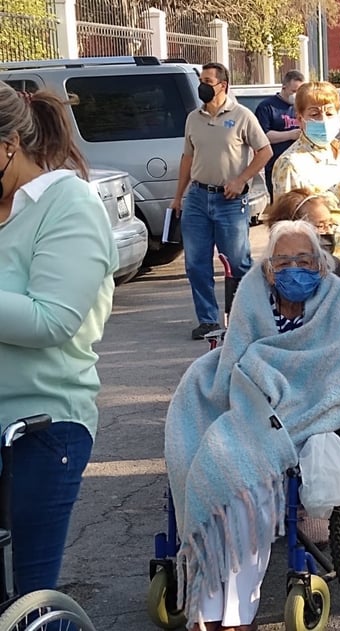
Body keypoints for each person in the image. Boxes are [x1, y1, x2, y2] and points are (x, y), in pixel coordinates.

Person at [166, 220, 340, 631]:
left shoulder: (334, 296)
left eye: (305, 259)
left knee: (249, 481)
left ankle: (237, 615)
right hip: (246, 401)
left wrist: (293, 398)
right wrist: (251, 384)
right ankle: (207, 609)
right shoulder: (251, 293)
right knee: (207, 459)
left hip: (300, 410)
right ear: (268, 269)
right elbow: (236, 356)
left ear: (320, 265)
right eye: (284, 261)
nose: (294, 268)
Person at [0, 84, 118, 594]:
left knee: (30, 600)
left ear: (9, 143)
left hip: (41, 424)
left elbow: (53, 320)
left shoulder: (67, 203)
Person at [171, 62, 272, 340]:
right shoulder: (194, 118)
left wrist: (241, 180)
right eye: (200, 79)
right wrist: (178, 196)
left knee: (238, 262)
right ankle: (207, 320)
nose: (202, 85)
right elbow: (187, 158)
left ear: (222, 85)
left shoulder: (241, 116)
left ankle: (247, 316)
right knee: (196, 263)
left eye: (207, 80)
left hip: (230, 201)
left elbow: (264, 152)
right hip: (197, 199)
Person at [271, 81, 340, 264]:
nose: (323, 120)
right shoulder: (291, 163)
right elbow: (286, 226)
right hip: (321, 263)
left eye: (329, 113)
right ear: (299, 119)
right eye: (314, 114)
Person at [254, 69, 304, 201]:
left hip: (299, 165)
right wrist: (290, 135)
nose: (297, 95)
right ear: (284, 87)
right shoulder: (267, 107)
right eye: (294, 91)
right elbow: (263, 136)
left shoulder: (301, 107)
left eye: (300, 92)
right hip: (275, 166)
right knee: (280, 205)